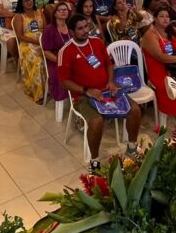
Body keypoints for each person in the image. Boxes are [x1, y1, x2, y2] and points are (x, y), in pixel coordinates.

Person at [58, 14, 142, 170]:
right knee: (97, 122)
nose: (85, 31)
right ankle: (95, 161)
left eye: (86, 27)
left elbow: (109, 65)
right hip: (83, 96)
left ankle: (131, 147)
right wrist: (86, 90)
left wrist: (110, 82)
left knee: (135, 110)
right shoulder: (66, 51)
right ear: (71, 31)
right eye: (80, 28)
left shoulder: (97, 42)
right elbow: (64, 82)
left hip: (107, 89)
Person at [13, 0, 46, 103]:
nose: (29, 2)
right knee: (38, 61)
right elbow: (20, 36)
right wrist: (34, 41)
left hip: (42, 40)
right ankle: (38, 92)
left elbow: (45, 29)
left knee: (52, 58)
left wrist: (43, 40)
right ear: (21, 3)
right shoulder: (19, 16)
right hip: (27, 43)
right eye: (26, 1)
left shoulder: (40, 12)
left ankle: (51, 89)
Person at [41, 1, 73, 107]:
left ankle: (80, 97)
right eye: (60, 10)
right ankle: (62, 99)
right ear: (55, 13)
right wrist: (60, 61)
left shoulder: (71, 27)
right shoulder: (49, 30)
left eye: (65, 10)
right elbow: (46, 52)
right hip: (56, 61)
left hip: (72, 59)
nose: (63, 12)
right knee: (61, 76)